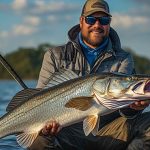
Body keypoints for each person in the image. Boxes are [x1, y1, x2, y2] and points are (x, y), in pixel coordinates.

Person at [29, 0, 150, 149]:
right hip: (65, 132)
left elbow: (124, 109)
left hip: (110, 132)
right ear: (81, 21)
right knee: (37, 137)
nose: (97, 25)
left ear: (109, 23)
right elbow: (39, 98)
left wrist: (134, 107)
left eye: (104, 20)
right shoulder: (54, 55)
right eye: (91, 19)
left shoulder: (124, 58)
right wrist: (46, 126)